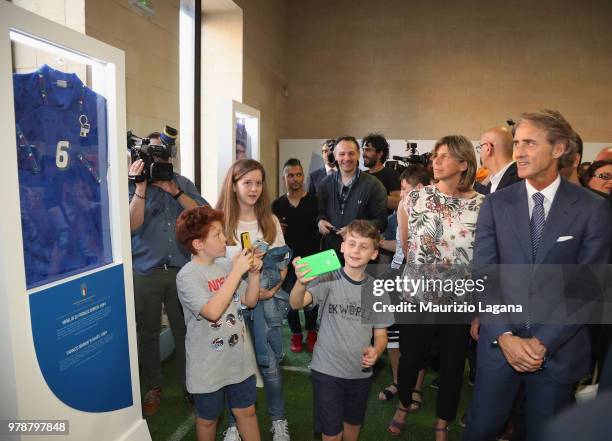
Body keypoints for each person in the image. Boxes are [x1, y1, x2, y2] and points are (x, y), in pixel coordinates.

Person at [464, 110, 612, 441]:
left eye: (529, 143)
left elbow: (587, 288)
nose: (518, 151)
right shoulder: (495, 204)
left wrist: (542, 343)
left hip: (558, 353)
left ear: (559, 148)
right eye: (516, 143)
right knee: (481, 429)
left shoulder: (593, 208)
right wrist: (504, 337)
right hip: (498, 348)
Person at [389, 135, 485, 441]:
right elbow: (406, 246)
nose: (436, 161)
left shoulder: (483, 206)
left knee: (453, 363)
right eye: (436, 155)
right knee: (411, 358)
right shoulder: (414, 198)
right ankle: (404, 403)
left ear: (464, 163)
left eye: (445, 156)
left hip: (458, 299)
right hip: (417, 294)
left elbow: (483, 258)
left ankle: (442, 422)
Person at [128, 130, 208, 415]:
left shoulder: (181, 182)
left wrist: (174, 190)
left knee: (185, 330)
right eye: (153, 153)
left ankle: (191, 386)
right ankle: (153, 386)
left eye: (162, 152)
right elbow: (131, 225)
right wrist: (140, 188)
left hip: (182, 271)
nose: (158, 157)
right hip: (145, 271)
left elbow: (204, 213)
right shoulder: (135, 184)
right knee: (147, 333)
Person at [290, 220, 392, 441]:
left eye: (364, 246)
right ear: (342, 246)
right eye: (352, 243)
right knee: (332, 435)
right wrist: (300, 282)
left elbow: (381, 334)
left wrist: (377, 350)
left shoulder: (377, 290)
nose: (356, 250)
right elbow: (296, 303)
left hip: (360, 373)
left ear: (374, 254)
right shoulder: (328, 277)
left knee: (352, 429)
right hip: (327, 370)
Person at [216, 159, 291, 441]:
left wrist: (271, 290)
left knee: (270, 367)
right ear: (233, 185)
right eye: (247, 182)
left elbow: (284, 262)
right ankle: (235, 424)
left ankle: (279, 420)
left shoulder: (269, 221)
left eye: (258, 183)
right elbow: (209, 267)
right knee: (233, 368)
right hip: (230, 308)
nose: (254, 188)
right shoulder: (220, 221)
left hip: (264, 306)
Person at [175, 206, 263, 441]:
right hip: (207, 365)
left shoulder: (225, 265)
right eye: (217, 235)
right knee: (207, 420)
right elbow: (213, 312)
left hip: (238, 358)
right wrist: (237, 272)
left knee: (247, 411)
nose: (225, 239)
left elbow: (250, 300)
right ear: (198, 244)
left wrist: (253, 274)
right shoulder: (188, 275)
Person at [378, 165, 431, 405]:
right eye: (400, 189)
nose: (400, 194)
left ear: (420, 188)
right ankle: (399, 382)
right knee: (393, 334)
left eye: (405, 189)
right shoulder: (402, 211)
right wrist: (376, 242)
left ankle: (416, 388)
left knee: (417, 337)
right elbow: (400, 248)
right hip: (396, 275)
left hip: (419, 280)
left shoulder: (433, 215)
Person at [272, 158, 320, 353]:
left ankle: (311, 332)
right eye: (290, 175)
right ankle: (296, 334)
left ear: (303, 176)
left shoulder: (315, 202)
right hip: (287, 261)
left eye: (298, 174)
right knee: (290, 302)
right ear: (284, 178)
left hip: (314, 258)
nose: (295, 179)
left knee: (312, 301)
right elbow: (269, 236)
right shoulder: (277, 205)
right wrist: (276, 232)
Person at [317, 136, 387, 261]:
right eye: (342, 154)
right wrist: (320, 220)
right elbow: (319, 212)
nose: (346, 158)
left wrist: (355, 229)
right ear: (335, 156)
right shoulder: (324, 184)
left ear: (358, 154)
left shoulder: (374, 185)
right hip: (329, 255)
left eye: (351, 153)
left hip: (360, 256)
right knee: (328, 281)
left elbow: (381, 222)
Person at [475, 126, 520, 195]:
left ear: (488, 148)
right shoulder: (493, 182)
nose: (480, 153)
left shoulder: (520, 179)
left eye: (481, 147)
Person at [362, 133, 401, 212]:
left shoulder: (390, 174)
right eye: (363, 150)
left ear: (380, 153)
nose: (363, 154)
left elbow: (398, 203)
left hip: (382, 222)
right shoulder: (361, 175)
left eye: (368, 150)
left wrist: (374, 197)